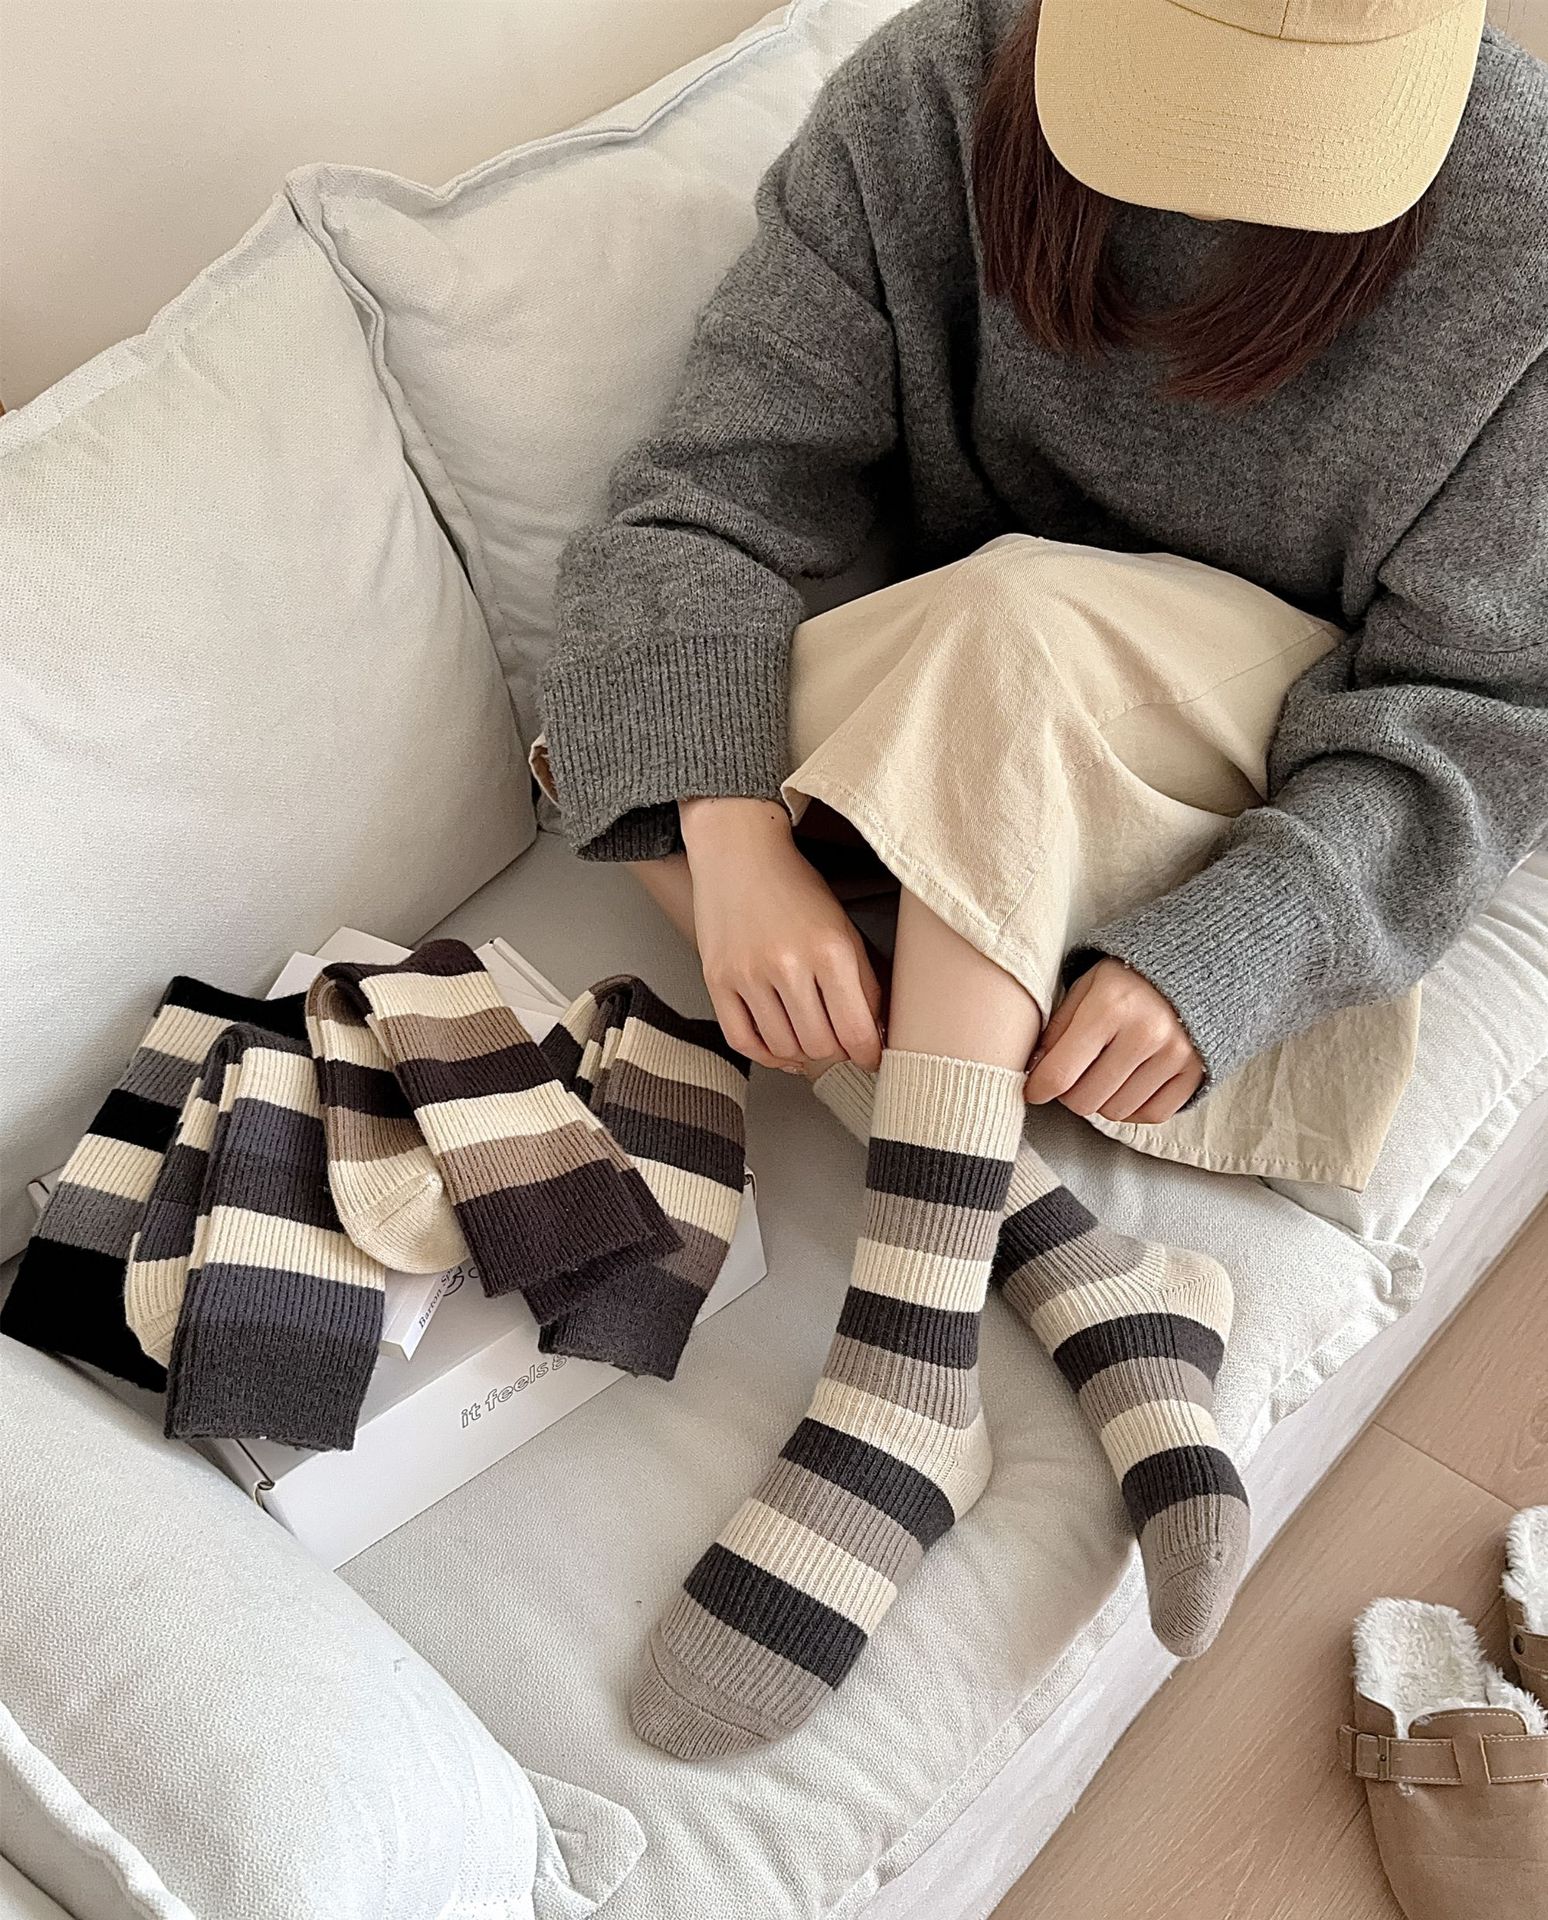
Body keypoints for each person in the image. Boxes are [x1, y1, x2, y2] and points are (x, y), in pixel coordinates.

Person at [534, 0, 1548, 1757]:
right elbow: (706, 499)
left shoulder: (1525, 221)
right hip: (975, 728)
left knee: (1002, 621)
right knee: (597, 737)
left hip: (1240, 763)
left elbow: (1477, 719)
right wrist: (737, 835)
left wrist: (1236, 944)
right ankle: (1086, 1275)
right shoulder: (940, 86)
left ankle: (903, 1371)